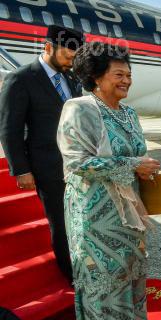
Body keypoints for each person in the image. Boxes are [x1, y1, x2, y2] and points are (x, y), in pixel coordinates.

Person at [57, 42, 161, 320]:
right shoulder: (79, 109)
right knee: (104, 276)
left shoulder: (129, 113)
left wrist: (143, 169)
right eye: (119, 75)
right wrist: (133, 165)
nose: (127, 81)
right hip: (93, 210)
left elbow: (135, 154)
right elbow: (76, 163)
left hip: (129, 206)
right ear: (96, 77)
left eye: (129, 75)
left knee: (132, 270)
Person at [0, 25, 84, 283]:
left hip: (77, 163)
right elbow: (9, 128)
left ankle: (85, 263)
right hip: (46, 164)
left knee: (79, 217)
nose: (72, 62)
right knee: (61, 220)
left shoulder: (72, 78)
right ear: (48, 47)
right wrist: (21, 169)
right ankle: (73, 274)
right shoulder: (21, 78)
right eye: (68, 56)